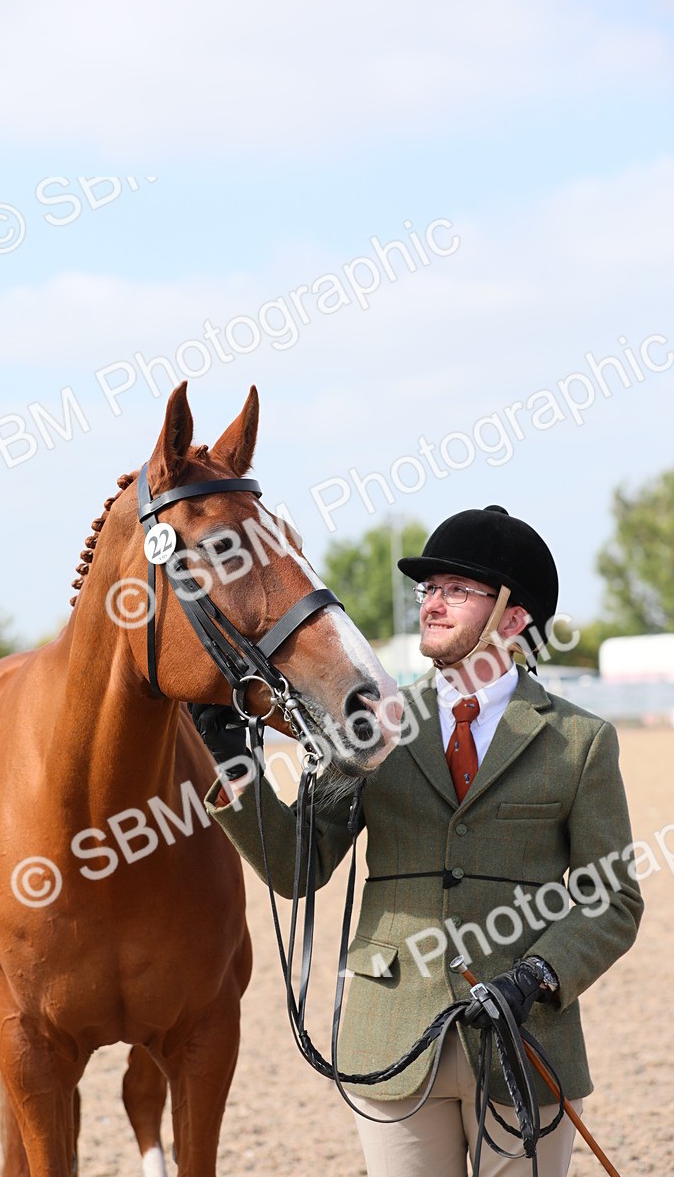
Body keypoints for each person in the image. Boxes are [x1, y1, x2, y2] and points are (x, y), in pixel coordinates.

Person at [193, 504, 643, 1177]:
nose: (431, 604)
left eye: (456, 590)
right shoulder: (375, 725)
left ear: (514, 617)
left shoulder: (581, 742)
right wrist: (234, 769)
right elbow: (296, 865)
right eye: (427, 589)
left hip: (526, 1039)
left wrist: (540, 975)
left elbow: (611, 899)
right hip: (391, 1039)